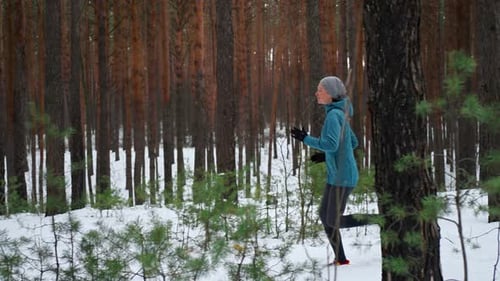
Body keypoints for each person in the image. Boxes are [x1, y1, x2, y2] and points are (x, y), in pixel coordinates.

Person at [291, 76, 359, 266]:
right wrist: (327, 156)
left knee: (333, 219)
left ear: (330, 94)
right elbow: (352, 142)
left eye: (320, 90)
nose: (316, 93)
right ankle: (341, 259)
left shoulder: (334, 116)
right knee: (325, 216)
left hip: (343, 177)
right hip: (336, 175)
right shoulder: (340, 114)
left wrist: (305, 139)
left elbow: (330, 143)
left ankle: (378, 219)